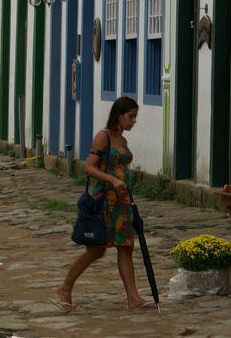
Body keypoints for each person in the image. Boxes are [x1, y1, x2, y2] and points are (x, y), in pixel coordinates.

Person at [52, 96, 154, 312]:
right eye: (131, 116)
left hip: (122, 202)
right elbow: (88, 168)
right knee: (96, 250)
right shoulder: (103, 137)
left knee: (125, 247)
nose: (134, 121)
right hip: (103, 202)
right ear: (119, 115)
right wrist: (113, 180)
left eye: (136, 117)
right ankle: (65, 286)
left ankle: (133, 297)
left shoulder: (123, 141)